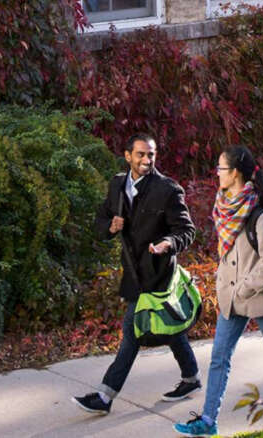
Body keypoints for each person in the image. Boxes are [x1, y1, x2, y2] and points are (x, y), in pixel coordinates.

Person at [174, 145, 263, 436]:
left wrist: (245, 287)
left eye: (221, 168)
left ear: (235, 173)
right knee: (219, 359)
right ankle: (208, 421)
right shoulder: (224, 207)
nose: (217, 173)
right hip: (232, 299)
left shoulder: (260, 216)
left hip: (259, 298)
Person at [72, 133, 201, 415]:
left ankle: (105, 396)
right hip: (132, 272)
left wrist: (168, 243)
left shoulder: (168, 189)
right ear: (128, 155)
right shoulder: (117, 184)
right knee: (170, 328)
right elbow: (100, 221)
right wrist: (110, 226)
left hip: (158, 273)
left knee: (131, 332)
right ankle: (191, 378)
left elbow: (186, 231)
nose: (146, 159)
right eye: (140, 154)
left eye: (150, 154)